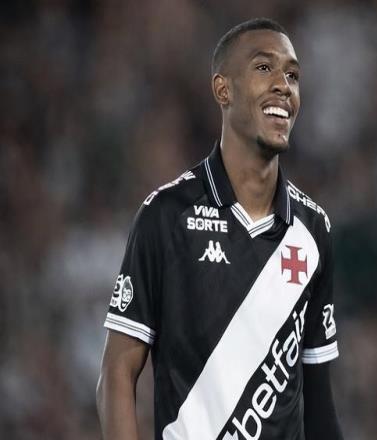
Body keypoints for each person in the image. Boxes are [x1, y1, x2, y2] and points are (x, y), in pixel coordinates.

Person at [96, 17, 343, 440]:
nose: (283, 86)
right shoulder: (167, 216)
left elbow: (319, 403)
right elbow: (117, 373)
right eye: (264, 68)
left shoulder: (312, 229)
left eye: (292, 75)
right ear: (223, 90)